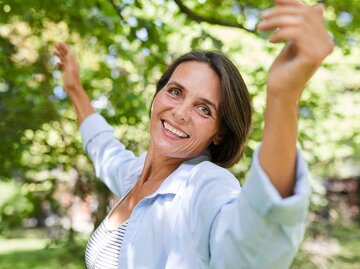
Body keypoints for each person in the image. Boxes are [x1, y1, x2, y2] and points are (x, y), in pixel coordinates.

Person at [54, 0, 333, 268]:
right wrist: (74, 89)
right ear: (158, 94)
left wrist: (284, 96)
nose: (181, 112)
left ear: (219, 134)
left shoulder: (205, 186)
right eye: (176, 92)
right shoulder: (134, 173)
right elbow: (102, 146)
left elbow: (250, 253)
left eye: (204, 109)